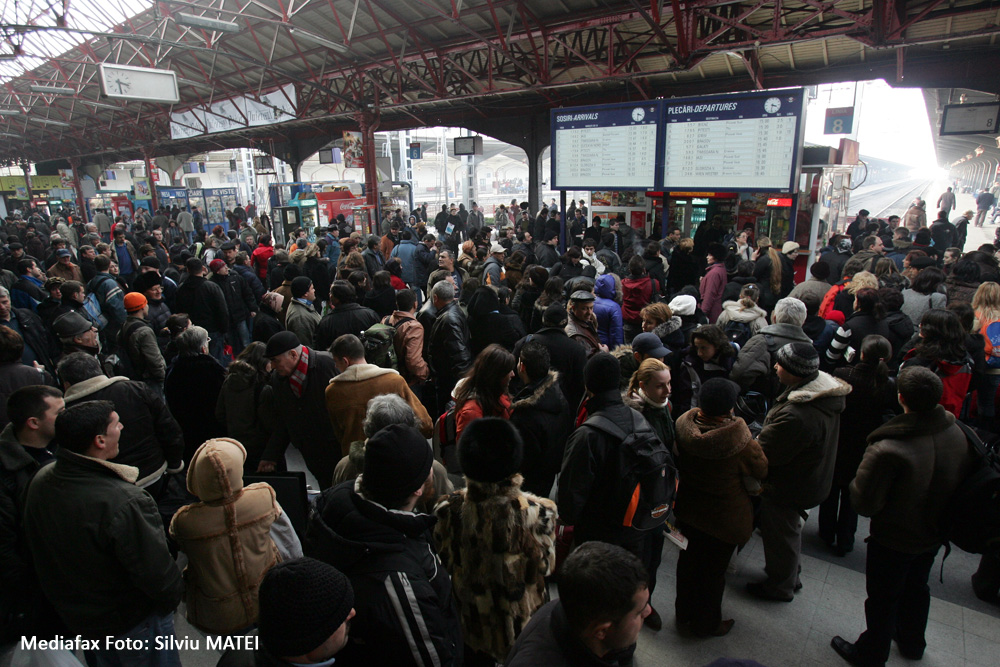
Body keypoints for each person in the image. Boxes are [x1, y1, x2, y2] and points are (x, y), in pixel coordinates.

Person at [831, 366, 975, 666]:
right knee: (918, 586)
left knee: (883, 597)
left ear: (901, 398)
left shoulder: (888, 447)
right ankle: (912, 641)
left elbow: (864, 502)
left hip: (895, 536)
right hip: (936, 529)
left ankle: (871, 652)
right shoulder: (959, 432)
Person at [23, 400, 184, 665]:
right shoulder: (125, 501)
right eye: (116, 424)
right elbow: (157, 574)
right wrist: (172, 598)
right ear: (99, 440)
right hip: (132, 624)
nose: (122, 427)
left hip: (83, 619)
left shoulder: (42, 479)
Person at [305, 424, 463, 666]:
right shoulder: (399, 582)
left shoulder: (335, 502)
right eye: (427, 467)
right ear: (418, 488)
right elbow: (431, 657)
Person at [558, 352, 668, 630]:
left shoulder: (587, 434)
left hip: (599, 537)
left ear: (588, 387)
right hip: (637, 528)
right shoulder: (639, 418)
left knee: (595, 604)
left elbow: (569, 502)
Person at [433, 418, 557, 663]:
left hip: (473, 617)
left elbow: (445, 561)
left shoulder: (448, 508)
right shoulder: (539, 513)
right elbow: (546, 566)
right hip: (521, 621)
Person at [746, 343, 849, 602]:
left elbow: (765, 453)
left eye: (781, 364)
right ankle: (791, 575)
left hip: (788, 486)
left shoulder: (797, 415)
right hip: (811, 478)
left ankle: (780, 586)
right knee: (789, 531)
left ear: (796, 373)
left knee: (781, 534)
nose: (776, 367)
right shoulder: (822, 397)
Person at [170, 436, 292, 636]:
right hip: (266, 596)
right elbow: (289, 542)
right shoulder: (263, 496)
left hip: (217, 612)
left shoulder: (185, 521)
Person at [673, 378, 767, 637]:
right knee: (713, 574)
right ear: (729, 410)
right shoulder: (740, 441)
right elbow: (761, 468)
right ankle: (707, 623)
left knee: (688, 564)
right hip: (724, 519)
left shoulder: (683, 426)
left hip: (689, 510)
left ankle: (683, 614)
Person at [505, 541, 651, 666]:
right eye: (638, 612)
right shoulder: (539, 660)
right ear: (602, 631)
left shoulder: (579, 607)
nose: (648, 611)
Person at [820, 335, 897, 557]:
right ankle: (845, 539)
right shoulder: (888, 384)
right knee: (852, 492)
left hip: (839, 440)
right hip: (866, 445)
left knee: (832, 487)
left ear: (861, 354)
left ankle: (826, 531)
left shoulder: (843, 375)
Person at [0, 385, 64, 644]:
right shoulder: (8, 475)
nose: (66, 416)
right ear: (34, 423)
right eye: (59, 413)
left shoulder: (63, 445)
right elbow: (5, 547)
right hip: (41, 591)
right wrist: (34, 590)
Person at [326, 333, 432, 457]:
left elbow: (338, 433)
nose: (335, 366)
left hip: (356, 459)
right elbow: (425, 424)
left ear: (345, 361)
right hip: (396, 453)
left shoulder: (333, 391)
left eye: (336, 362)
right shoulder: (394, 381)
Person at [258, 332, 340, 488]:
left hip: (335, 449)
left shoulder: (328, 364)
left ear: (293, 354)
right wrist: (271, 455)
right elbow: (284, 418)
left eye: (276, 360)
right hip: (311, 453)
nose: (272, 366)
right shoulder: (278, 379)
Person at [509, 340, 573, 497]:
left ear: (522, 366)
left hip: (529, 479)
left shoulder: (525, 414)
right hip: (550, 470)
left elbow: (522, 457)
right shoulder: (558, 395)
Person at [899, 308, 973, 417]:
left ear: (928, 331)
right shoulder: (965, 360)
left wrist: (918, 337)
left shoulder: (918, 362)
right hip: (951, 417)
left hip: (918, 418)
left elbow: (901, 357)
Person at [215, 342, 275, 474]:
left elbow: (220, 413)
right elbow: (270, 424)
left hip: (236, 446)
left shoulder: (229, 382)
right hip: (260, 449)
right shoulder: (264, 389)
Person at [452, 343, 515, 445]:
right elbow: (469, 455)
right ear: (496, 376)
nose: (513, 374)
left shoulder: (498, 396)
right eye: (508, 371)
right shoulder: (471, 413)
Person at [671, 324, 737, 417]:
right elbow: (689, 398)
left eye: (704, 348)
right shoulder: (690, 366)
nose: (699, 353)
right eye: (697, 347)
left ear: (717, 345)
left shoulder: (731, 357)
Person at [427, 280, 473, 414]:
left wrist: (462, 385)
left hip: (449, 381)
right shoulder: (453, 312)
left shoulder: (449, 319)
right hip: (449, 378)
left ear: (435, 298)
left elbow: (459, 354)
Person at [175, 257, 229, 363]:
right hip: (213, 330)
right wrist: (224, 330)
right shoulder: (211, 287)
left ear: (188, 270)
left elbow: (179, 311)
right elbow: (222, 310)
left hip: (191, 331)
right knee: (216, 361)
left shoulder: (181, 289)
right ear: (203, 268)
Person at [825, 288, 892, 367]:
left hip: (848, 369)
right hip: (874, 370)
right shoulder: (884, 324)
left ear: (858, 304)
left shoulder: (848, 327)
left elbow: (831, 355)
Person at [119, 291, 167, 392]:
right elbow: (154, 359)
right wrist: (163, 377)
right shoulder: (144, 331)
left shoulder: (124, 326)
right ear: (142, 307)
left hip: (135, 376)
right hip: (149, 379)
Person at [314, 280, 380, 352]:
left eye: (331, 293)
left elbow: (321, 348)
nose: (329, 295)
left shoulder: (326, 322)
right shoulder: (370, 314)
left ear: (336, 298)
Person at [972, 281, 1000, 425]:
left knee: (980, 401)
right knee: (990, 402)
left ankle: (981, 432)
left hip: (980, 366)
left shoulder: (975, 315)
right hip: (998, 366)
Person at [900, 267, 947, 333]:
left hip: (901, 330)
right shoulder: (937, 297)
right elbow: (939, 321)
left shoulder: (905, 292)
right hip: (921, 333)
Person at [565, 289, 605, 358]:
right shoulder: (575, 334)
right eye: (584, 309)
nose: (589, 312)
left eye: (591, 308)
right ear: (574, 308)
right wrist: (603, 353)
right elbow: (587, 358)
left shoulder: (589, 320)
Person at [284, 276, 321, 348]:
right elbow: (305, 344)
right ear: (305, 294)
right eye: (312, 288)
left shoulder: (305, 304)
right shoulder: (300, 317)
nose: (314, 290)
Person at [701, 243, 729, 322]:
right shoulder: (720, 269)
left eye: (710, 255)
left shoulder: (714, 273)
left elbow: (709, 294)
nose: (707, 257)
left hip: (711, 312)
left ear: (716, 257)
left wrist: (703, 313)